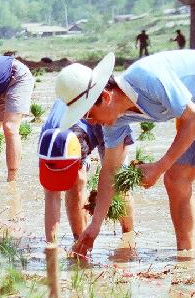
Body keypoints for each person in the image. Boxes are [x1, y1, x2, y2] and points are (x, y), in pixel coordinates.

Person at [55, 50, 195, 260]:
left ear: (105, 97)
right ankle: (186, 258)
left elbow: (194, 122)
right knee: (176, 179)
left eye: (88, 114)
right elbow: (110, 171)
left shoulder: (146, 77)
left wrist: (159, 166)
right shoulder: (115, 120)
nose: (90, 123)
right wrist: (94, 227)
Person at [40, 99, 134, 246]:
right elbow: (51, 194)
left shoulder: (109, 121)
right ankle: (80, 241)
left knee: (118, 181)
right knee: (64, 187)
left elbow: (82, 180)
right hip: (67, 130)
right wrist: (51, 246)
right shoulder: (47, 141)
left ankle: (128, 238)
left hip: (103, 120)